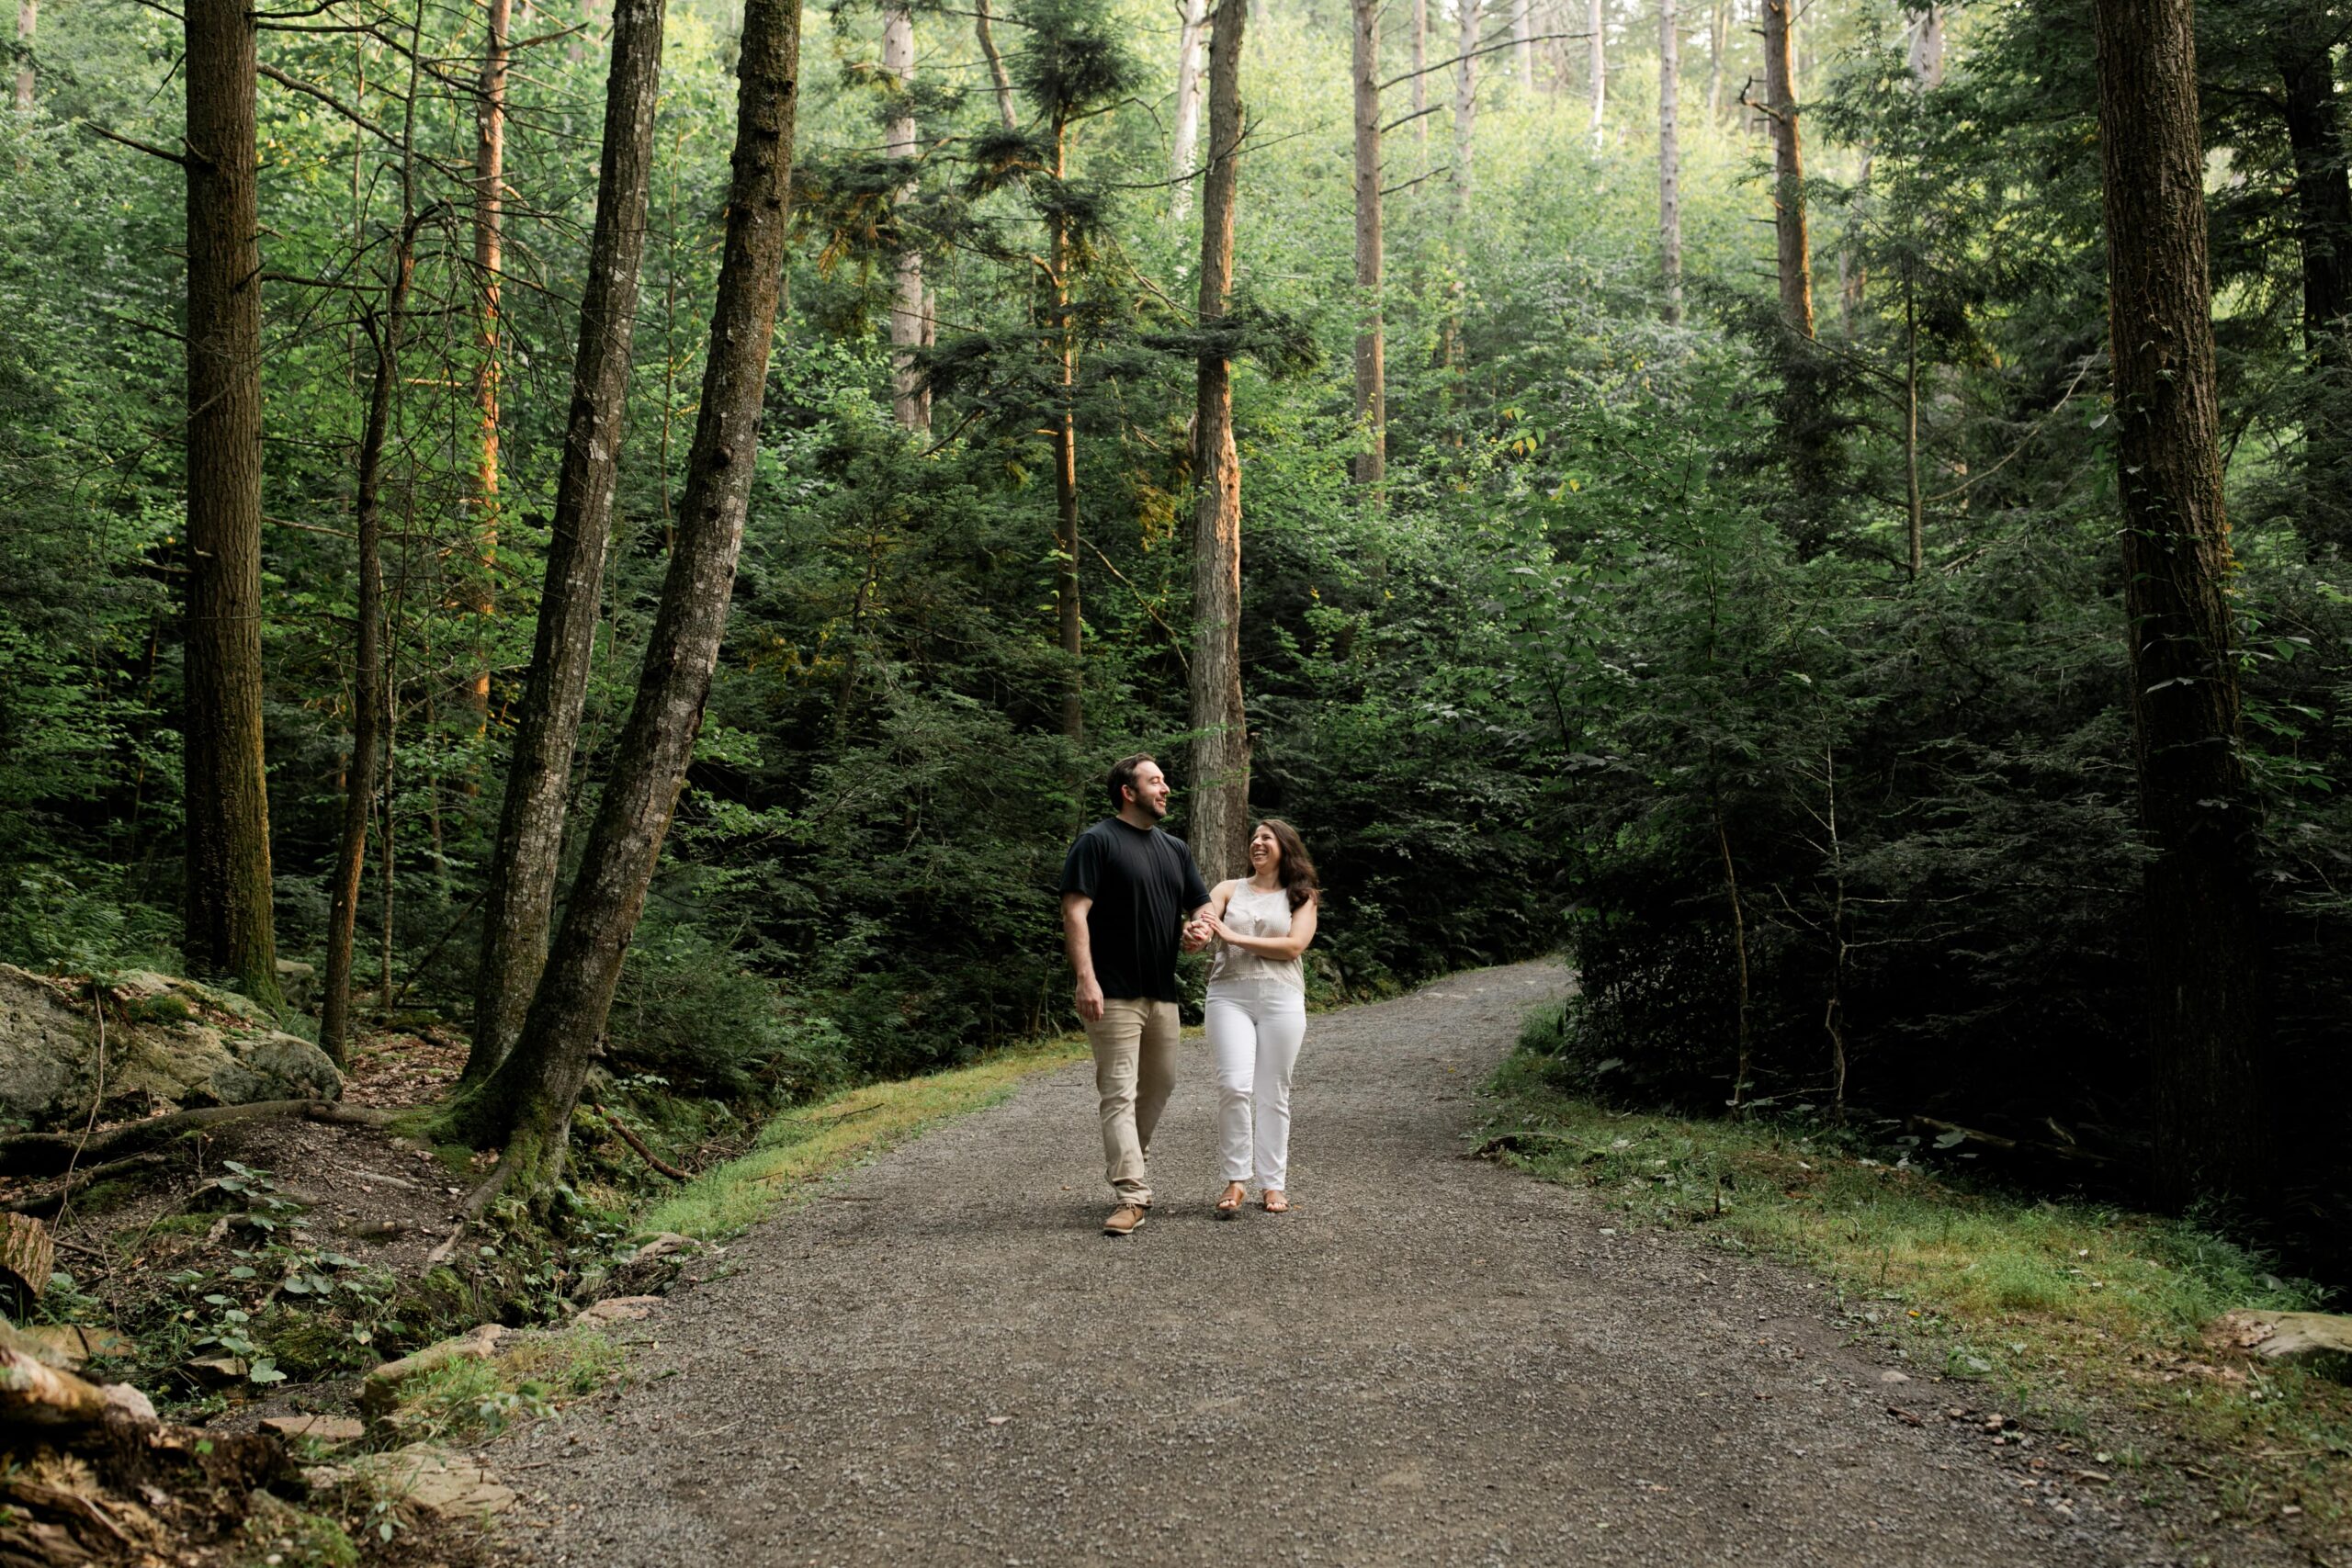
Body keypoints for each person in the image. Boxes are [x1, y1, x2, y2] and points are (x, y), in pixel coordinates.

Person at [1059, 754, 1214, 1236]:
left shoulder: (1175, 849)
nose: (1165, 788)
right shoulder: (1097, 842)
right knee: (1119, 1092)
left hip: (1162, 992)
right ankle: (1132, 1193)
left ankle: (1132, 1161)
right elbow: (1075, 913)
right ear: (1129, 792)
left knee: (1161, 1085)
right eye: (1155, 781)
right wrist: (1087, 979)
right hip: (1113, 992)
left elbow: (1202, 904)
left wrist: (1200, 930)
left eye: (1165, 781)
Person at [1201, 819, 1320, 1217]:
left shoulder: (1301, 896)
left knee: (1274, 1093)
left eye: (1266, 837)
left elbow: (1293, 946)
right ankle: (1236, 1180)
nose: (1257, 842)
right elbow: (1205, 921)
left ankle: (1273, 1184)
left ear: (1284, 846)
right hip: (1228, 996)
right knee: (1234, 1086)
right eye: (1253, 836)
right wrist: (1196, 934)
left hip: (1281, 999)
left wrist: (1232, 937)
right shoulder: (1227, 889)